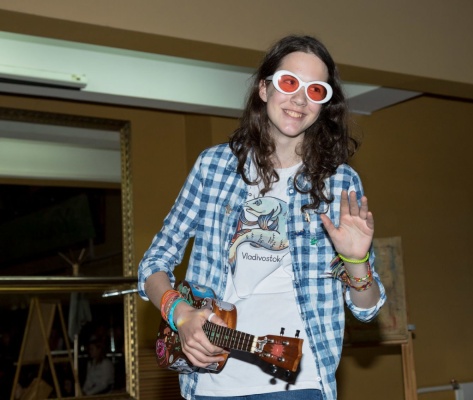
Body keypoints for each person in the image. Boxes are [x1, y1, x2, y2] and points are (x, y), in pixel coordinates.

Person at [138, 34, 386, 400]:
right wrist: (181, 314)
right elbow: (153, 264)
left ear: (324, 105)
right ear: (264, 88)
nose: (300, 99)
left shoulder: (340, 182)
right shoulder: (214, 166)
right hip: (211, 383)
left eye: (315, 90)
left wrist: (356, 260)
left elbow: (366, 310)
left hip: (299, 384)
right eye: (289, 82)